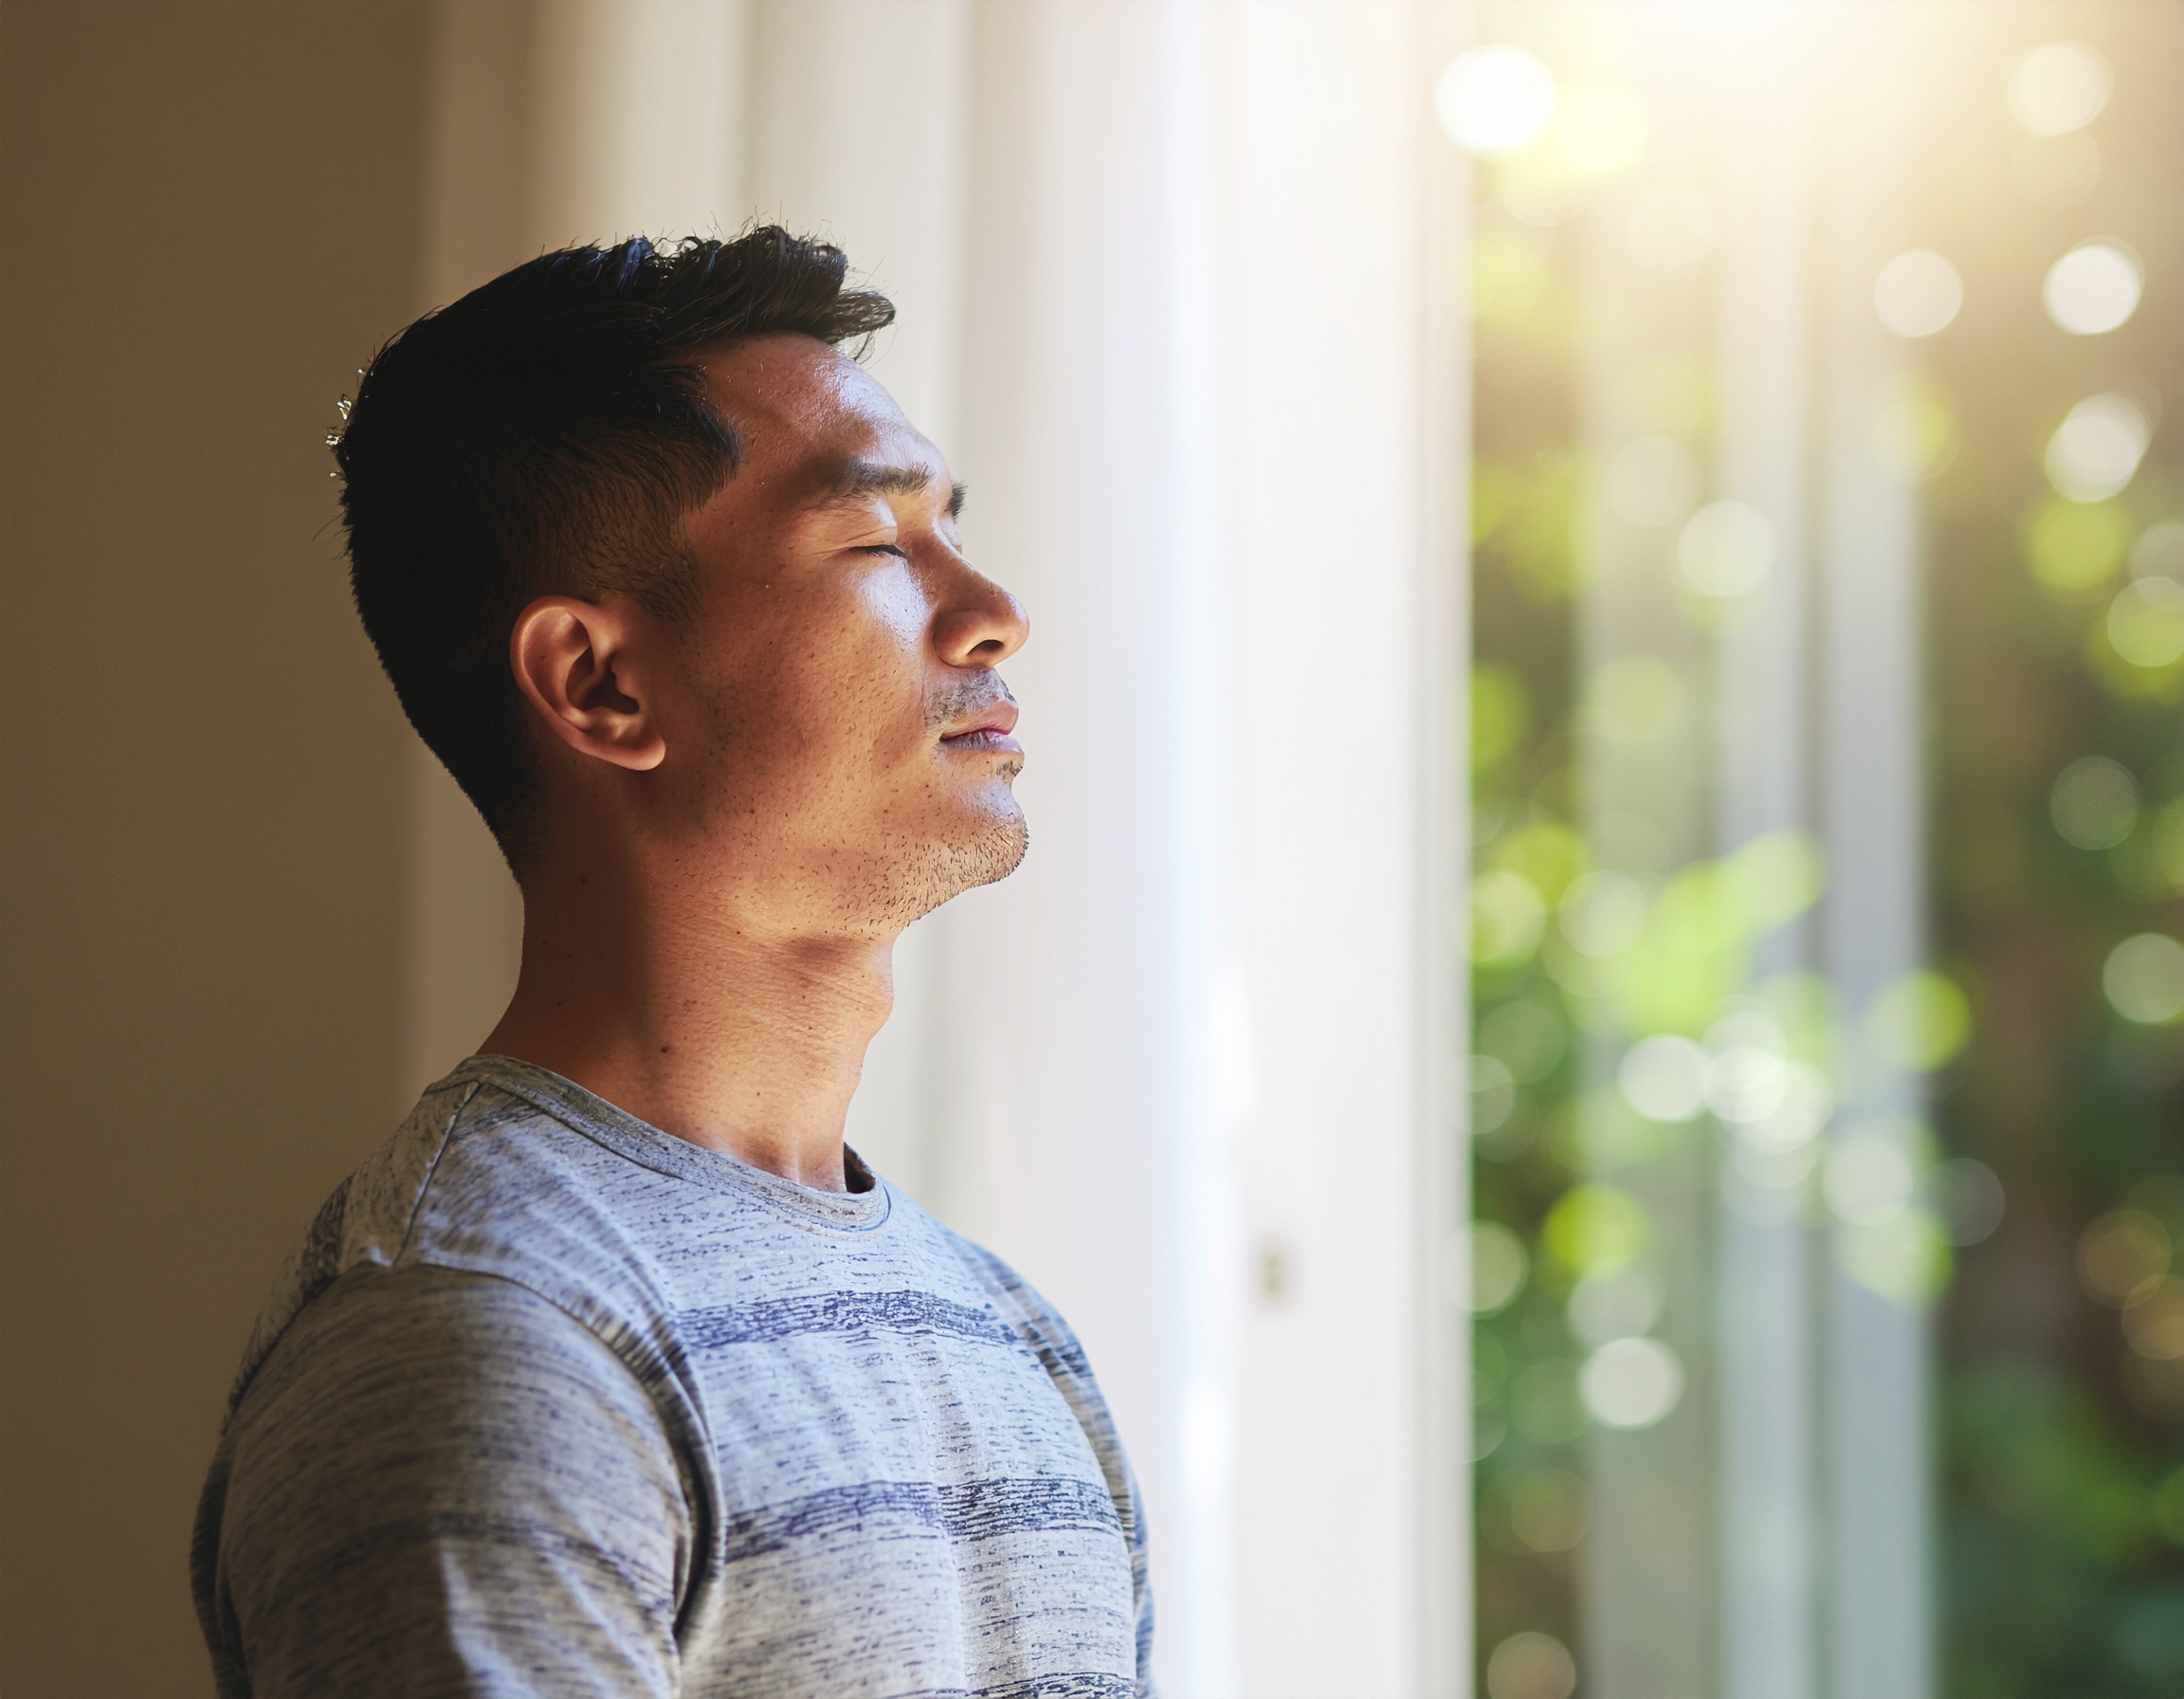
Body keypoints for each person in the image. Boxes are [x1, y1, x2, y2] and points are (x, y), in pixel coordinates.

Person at [191, 228, 1155, 1699]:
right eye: (882, 544)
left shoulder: (1010, 1333)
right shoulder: (479, 1332)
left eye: (952, 523)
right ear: (601, 683)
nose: (991, 609)